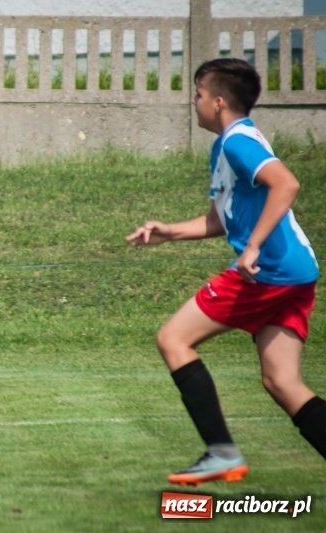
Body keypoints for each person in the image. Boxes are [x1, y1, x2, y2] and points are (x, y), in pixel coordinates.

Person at [125, 58, 322, 486]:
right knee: (282, 382)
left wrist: (252, 248)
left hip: (267, 271)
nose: (192, 102)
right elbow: (220, 220)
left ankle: (221, 452)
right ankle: (222, 452)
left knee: (173, 339)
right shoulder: (228, 145)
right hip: (296, 272)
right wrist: (168, 232)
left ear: (217, 102)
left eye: (196, 94)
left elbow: (286, 184)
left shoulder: (237, 142)